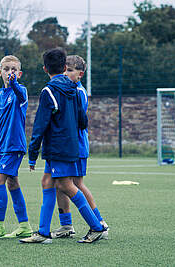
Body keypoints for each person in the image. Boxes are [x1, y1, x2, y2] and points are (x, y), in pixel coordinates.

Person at [19, 48, 107, 244]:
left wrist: (32, 154)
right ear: (65, 67)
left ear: (44, 69)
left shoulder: (48, 91)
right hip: (70, 146)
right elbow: (83, 121)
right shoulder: (75, 89)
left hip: (58, 147)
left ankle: (96, 226)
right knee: (47, 182)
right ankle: (42, 231)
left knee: (65, 185)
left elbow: (40, 125)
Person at [50, 55, 108, 239]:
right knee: (59, 183)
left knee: (76, 184)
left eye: (69, 70)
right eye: (64, 69)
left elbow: (77, 120)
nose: (65, 73)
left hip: (77, 146)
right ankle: (66, 225)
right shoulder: (67, 89)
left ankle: (99, 222)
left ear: (80, 74)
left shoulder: (78, 92)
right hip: (67, 146)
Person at [0, 55, 32, 240]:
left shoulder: (22, 92)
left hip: (14, 145)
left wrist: (14, 83)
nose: (10, 72)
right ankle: (25, 226)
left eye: (14, 70)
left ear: (19, 73)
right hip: (3, 147)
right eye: (6, 69)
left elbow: (19, 92)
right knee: (12, 183)